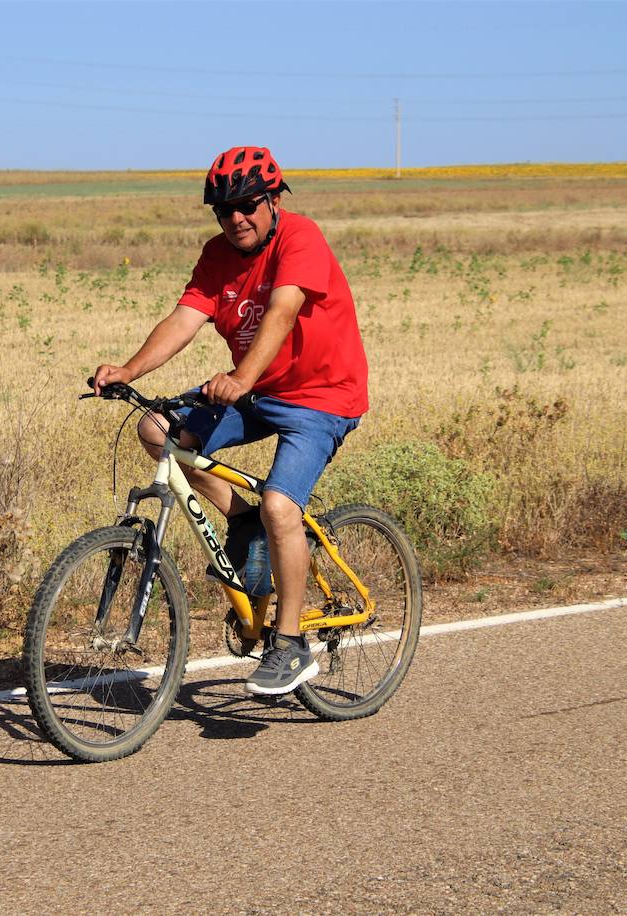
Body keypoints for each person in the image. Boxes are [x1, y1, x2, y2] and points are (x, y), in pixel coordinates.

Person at [93, 146, 368, 696]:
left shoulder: (300, 237)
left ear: (271, 201)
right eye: (224, 210)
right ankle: (242, 521)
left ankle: (289, 645)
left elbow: (283, 309)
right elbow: (185, 318)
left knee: (281, 505)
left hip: (321, 397)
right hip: (257, 389)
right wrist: (128, 367)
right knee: (157, 430)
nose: (236, 218)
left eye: (246, 205)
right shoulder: (218, 254)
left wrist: (241, 377)